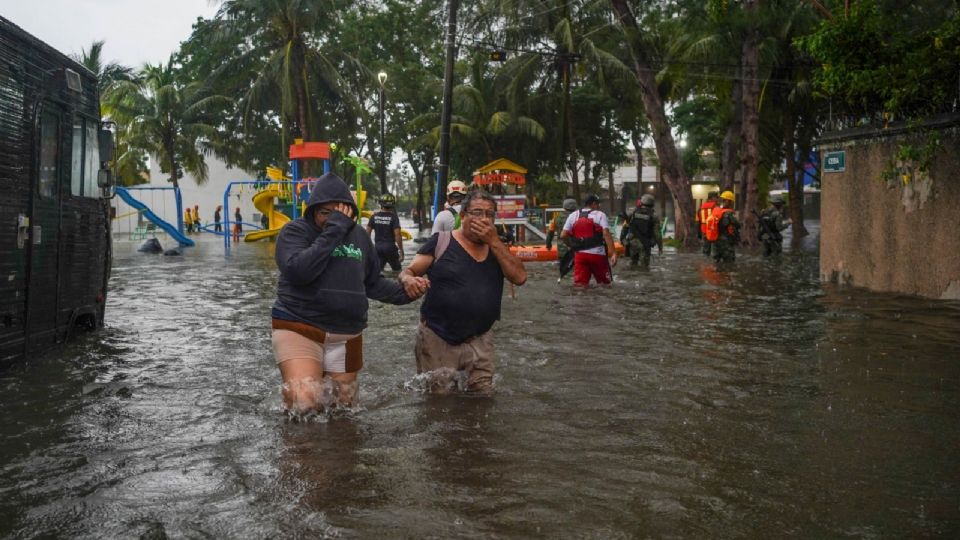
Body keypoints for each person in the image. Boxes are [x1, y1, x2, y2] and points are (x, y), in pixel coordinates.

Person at [272, 172, 427, 414]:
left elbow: (372, 283)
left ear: (351, 212)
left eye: (340, 212)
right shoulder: (295, 232)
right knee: (304, 402)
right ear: (312, 211)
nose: (333, 218)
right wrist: (334, 230)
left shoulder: (359, 238)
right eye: (325, 213)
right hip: (300, 327)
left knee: (345, 408)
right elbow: (299, 271)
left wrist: (407, 292)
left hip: (346, 334)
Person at [399, 190, 527, 394]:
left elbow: (520, 277)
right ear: (463, 216)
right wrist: (408, 280)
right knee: (439, 402)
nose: (483, 219)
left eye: (489, 214)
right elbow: (409, 271)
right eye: (477, 212)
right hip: (438, 337)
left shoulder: (497, 247)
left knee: (483, 399)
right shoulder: (441, 241)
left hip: (480, 339)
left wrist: (494, 241)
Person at [560, 194, 617, 286]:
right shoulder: (600, 215)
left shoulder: (573, 215)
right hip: (597, 255)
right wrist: (613, 253)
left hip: (580, 255)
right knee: (605, 284)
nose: (599, 206)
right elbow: (606, 234)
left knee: (580, 285)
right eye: (598, 204)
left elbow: (563, 235)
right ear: (593, 204)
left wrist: (571, 246)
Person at [366, 193, 404, 271]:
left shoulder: (374, 217)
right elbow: (398, 235)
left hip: (377, 248)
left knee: (378, 272)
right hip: (390, 248)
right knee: (398, 272)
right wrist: (401, 250)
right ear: (392, 204)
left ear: (381, 204)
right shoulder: (394, 217)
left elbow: (367, 234)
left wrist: (369, 248)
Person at [624, 194, 663, 268]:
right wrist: (660, 247)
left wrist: (624, 239)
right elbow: (657, 233)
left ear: (641, 202)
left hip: (633, 243)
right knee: (644, 268)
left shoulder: (633, 212)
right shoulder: (654, 216)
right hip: (645, 244)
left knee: (632, 264)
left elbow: (625, 224)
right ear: (652, 204)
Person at [707, 190, 740, 263]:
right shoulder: (729, 213)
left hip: (715, 242)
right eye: (732, 202)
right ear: (728, 201)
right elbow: (738, 225)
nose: (732, 204)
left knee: (716, 264)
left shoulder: (715, 211)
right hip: (726, 243)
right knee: (729, 264)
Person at [696, 191, 719, 256]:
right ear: (712, 198)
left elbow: (699, 221)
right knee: (715, 250)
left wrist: (699, 234)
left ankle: (705, 263)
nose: (717, 199)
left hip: (704, 231)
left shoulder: (701, 207)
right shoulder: (715, 207)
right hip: (714, 230)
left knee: (706, 251)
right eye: (716, 197)